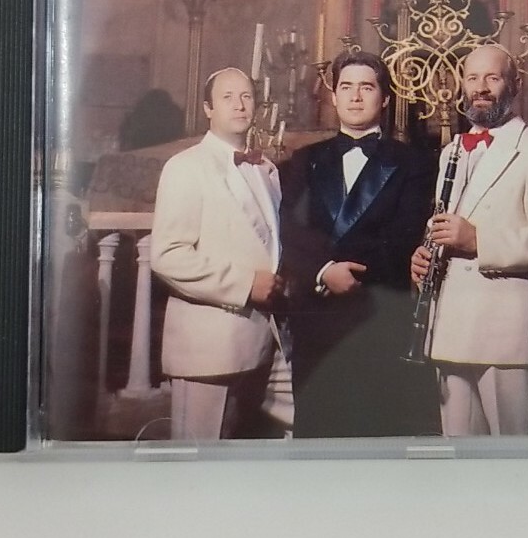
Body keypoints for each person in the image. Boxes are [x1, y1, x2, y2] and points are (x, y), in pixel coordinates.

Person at [410, 44, 528, 436]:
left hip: (505, 333)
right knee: (459, 454)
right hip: (449, 327)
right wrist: (424, 254)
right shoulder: (451, 151)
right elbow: (444, 225)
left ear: (514, 85)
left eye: (492, 77)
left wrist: (478, 240)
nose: (480, 87)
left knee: (511, 455)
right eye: (472, 78)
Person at [280, 51, 438, 437]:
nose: (355, 96)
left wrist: (349, 273)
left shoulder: (415, 163)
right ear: (333, 96)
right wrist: (324, 271)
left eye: (366, 87)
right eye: (346, 87)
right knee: (316, 434)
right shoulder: (303, 160)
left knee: (376, 434)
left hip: (378, 317)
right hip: (315, 321)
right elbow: (288, 229)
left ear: (384, 99)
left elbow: (403, 235)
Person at [149, 67, 291, 439]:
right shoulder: (185, 167)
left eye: (246, 96)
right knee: (201, 461)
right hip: (208, 349)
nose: (239, 105)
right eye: (228, 97)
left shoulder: (266, 170)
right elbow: (167, 255)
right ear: (208, 108)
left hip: (265, 341)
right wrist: (245, 285)